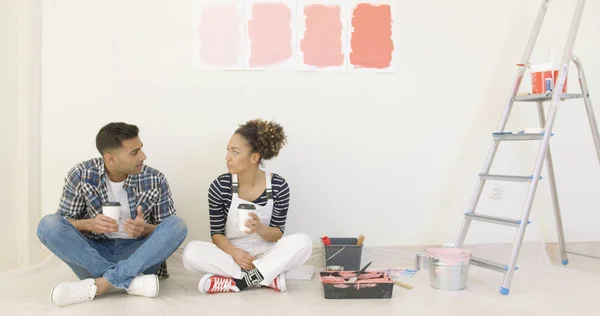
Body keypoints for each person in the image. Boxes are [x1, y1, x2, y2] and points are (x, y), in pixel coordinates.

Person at [36, 122, 188, 306]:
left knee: (177, 225)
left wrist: (145, 229)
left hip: (138, 254)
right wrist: (89, 224)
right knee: (48, 224)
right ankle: (130, 281)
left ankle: (102, 283)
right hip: (94, 255)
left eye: (141, 149)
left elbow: (166, 230)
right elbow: (63, 223)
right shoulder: (81, 174)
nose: (143, 156)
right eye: (134, 152)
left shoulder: (155, 179)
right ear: (110, 159)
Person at [182, 119, 312, 294]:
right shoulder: (220, 186)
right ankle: (266, 277)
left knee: (304, 242)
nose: (227, 157)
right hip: (232, 254)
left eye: (235, 152)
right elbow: (217, 234)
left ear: (254, 157)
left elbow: (277, 234)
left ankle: (241, 282)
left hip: (267, 252)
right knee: (190, 252)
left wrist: (259, 228)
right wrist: (235, 252)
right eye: (227, 151)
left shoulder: (278, 186)